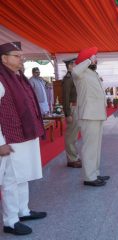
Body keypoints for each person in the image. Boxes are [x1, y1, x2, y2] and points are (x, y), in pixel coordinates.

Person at [0, 42, 47, 235]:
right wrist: (0, 143)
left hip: (25, 134)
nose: (22, 59)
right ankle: (10, 221)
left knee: (23, 175)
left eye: (21, 56)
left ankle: (23, 211)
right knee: (11, 179)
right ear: (4, 58)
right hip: (10, 138)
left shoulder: (18, 77)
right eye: (17, 56)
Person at [72, 47, 109, 187]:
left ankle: (95, 173)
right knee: (90, 147)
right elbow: (75, 71)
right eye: (94, 57)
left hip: (97, 114)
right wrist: (87, 60)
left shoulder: (92, 73)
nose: (96, 60)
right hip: (88, 114)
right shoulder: (80, 73)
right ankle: (89, 177)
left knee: (96, 147)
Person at [62, 57, 81, 168]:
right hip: (72, 108)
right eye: (75, 64)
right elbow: (65, 97)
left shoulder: (74, 77)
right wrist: (67, 114)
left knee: (74, 134)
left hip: (76, 107)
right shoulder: (68, 78)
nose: (76, 66)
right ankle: (71, 159)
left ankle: (74, 156)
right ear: (70, 66)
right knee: (71, 135)